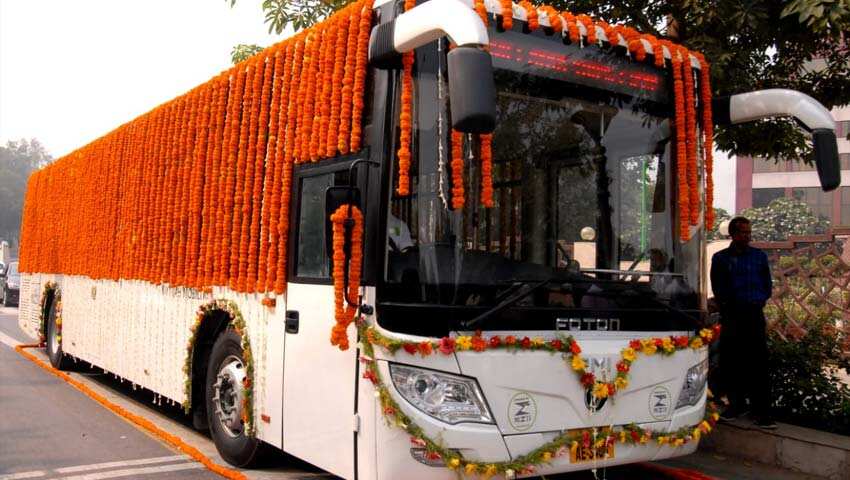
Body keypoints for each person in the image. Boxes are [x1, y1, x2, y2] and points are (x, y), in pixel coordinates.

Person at [710, 216, 776, 429]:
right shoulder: (721, 259)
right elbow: (718, 289)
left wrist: (757, 301)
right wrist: (729, 307)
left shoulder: (758, 257)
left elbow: (767, 286)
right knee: (732, 363)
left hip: (754, 315)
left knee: (758, 364)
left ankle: (761, 412)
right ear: (733, 234)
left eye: (749, 232)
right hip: (732, 317)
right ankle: (735, 405)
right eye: (743, 233)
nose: (747, 236)